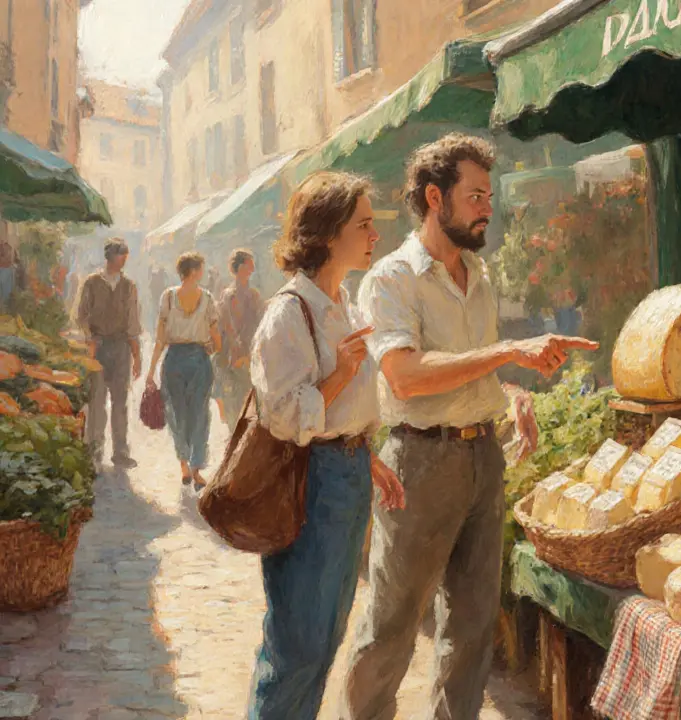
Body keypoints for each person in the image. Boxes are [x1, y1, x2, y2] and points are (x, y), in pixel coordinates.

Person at [342, 134, 597, 720]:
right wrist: (508, 351)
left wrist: (510, 395)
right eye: (475, 196)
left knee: (473, 626)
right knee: (391, 626)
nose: (487, 209)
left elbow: (466, 368)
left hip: (483, 457)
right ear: (435, 198)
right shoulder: (390, 278)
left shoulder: (477, 273)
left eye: (489, 196)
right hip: (419, 464)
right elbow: (405, 376)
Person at [245, 171, 405, 720]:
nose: (375, 235)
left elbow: (342, 415)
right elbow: (283, 416)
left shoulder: (344, 305)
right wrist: (339, 374)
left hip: (347, 477)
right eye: (364, 225)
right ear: (329, 233)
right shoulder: (289, 313)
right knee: (296, 645)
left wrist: (368, 459)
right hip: (307, 482)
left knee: (326, 638)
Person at [145, 252, 220, 488]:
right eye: (201, 268)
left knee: (177, 414)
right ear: (194, 271)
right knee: (199, 414)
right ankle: (196, 469)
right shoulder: (207, 298)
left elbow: (160, 339)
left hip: (174, 360)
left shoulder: (168, 297)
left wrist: (151, 371)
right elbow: (217, 340)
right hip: (199, 361)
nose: (203, 272)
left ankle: (185, 466)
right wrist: (210, 349)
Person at [75, 238, 142, 469]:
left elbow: (133, 323)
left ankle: (120, 452)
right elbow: (81, 315)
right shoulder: (92, 283)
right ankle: (95, 449)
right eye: (121, 255)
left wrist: (137, 355)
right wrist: (89, 338)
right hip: (99, 346)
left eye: (125, 256)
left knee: (120, 401)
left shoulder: (129, 285)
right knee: (97, 400)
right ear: (110, 257)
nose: (124, 260)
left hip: (121, 347)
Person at [215, 249, 265, 426]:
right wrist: (236, 349)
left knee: (249, 402)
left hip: (250, 354)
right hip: (234, 356)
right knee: (236, 401)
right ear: (241, 267)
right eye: (250, 264)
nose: (253, 268)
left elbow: (261, 325)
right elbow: (226, 326)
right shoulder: (229, 295)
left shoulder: (254, 295)